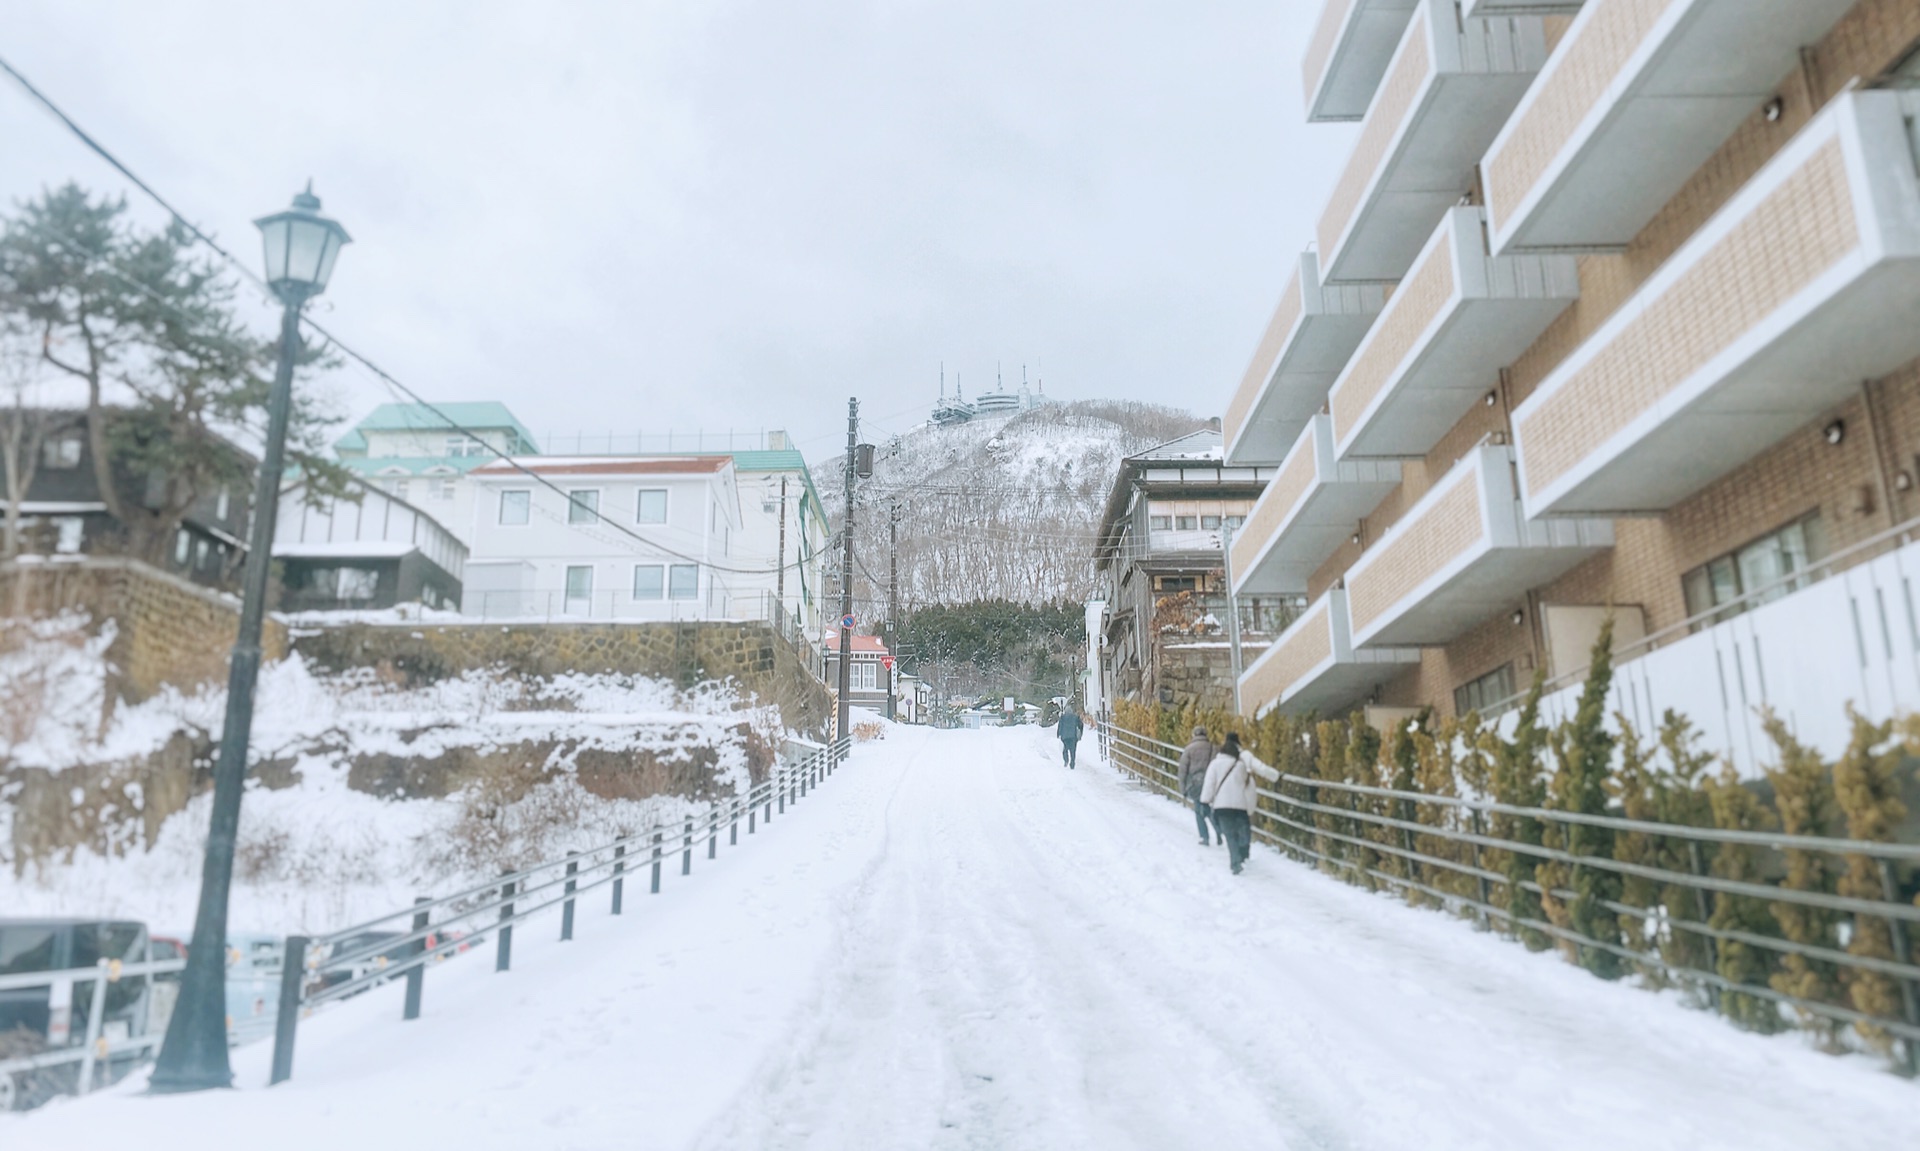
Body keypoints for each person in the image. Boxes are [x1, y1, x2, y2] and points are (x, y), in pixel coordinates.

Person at [1199, 732, 1279, 875]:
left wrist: (1205, 801)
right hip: (1241, 803)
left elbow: (1209, 785)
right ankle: (1243, 855)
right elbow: (1256, 772)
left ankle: (1235, 861)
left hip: (1221, 806)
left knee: (1230, 834)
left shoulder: (1215, 764)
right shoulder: (1243, 762)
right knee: (1244, 831)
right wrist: (1276, 776)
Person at [1177, 725, 1217, 845]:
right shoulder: (1212, 747)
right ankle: (1219, 829)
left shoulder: (1189, 749)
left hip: (1195, 783)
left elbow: (1182, 770)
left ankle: (1204, 837)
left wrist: (1182, 788)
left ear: (1193, 735)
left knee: (1198, 809)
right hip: (1209, 781)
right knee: (1208, 808)